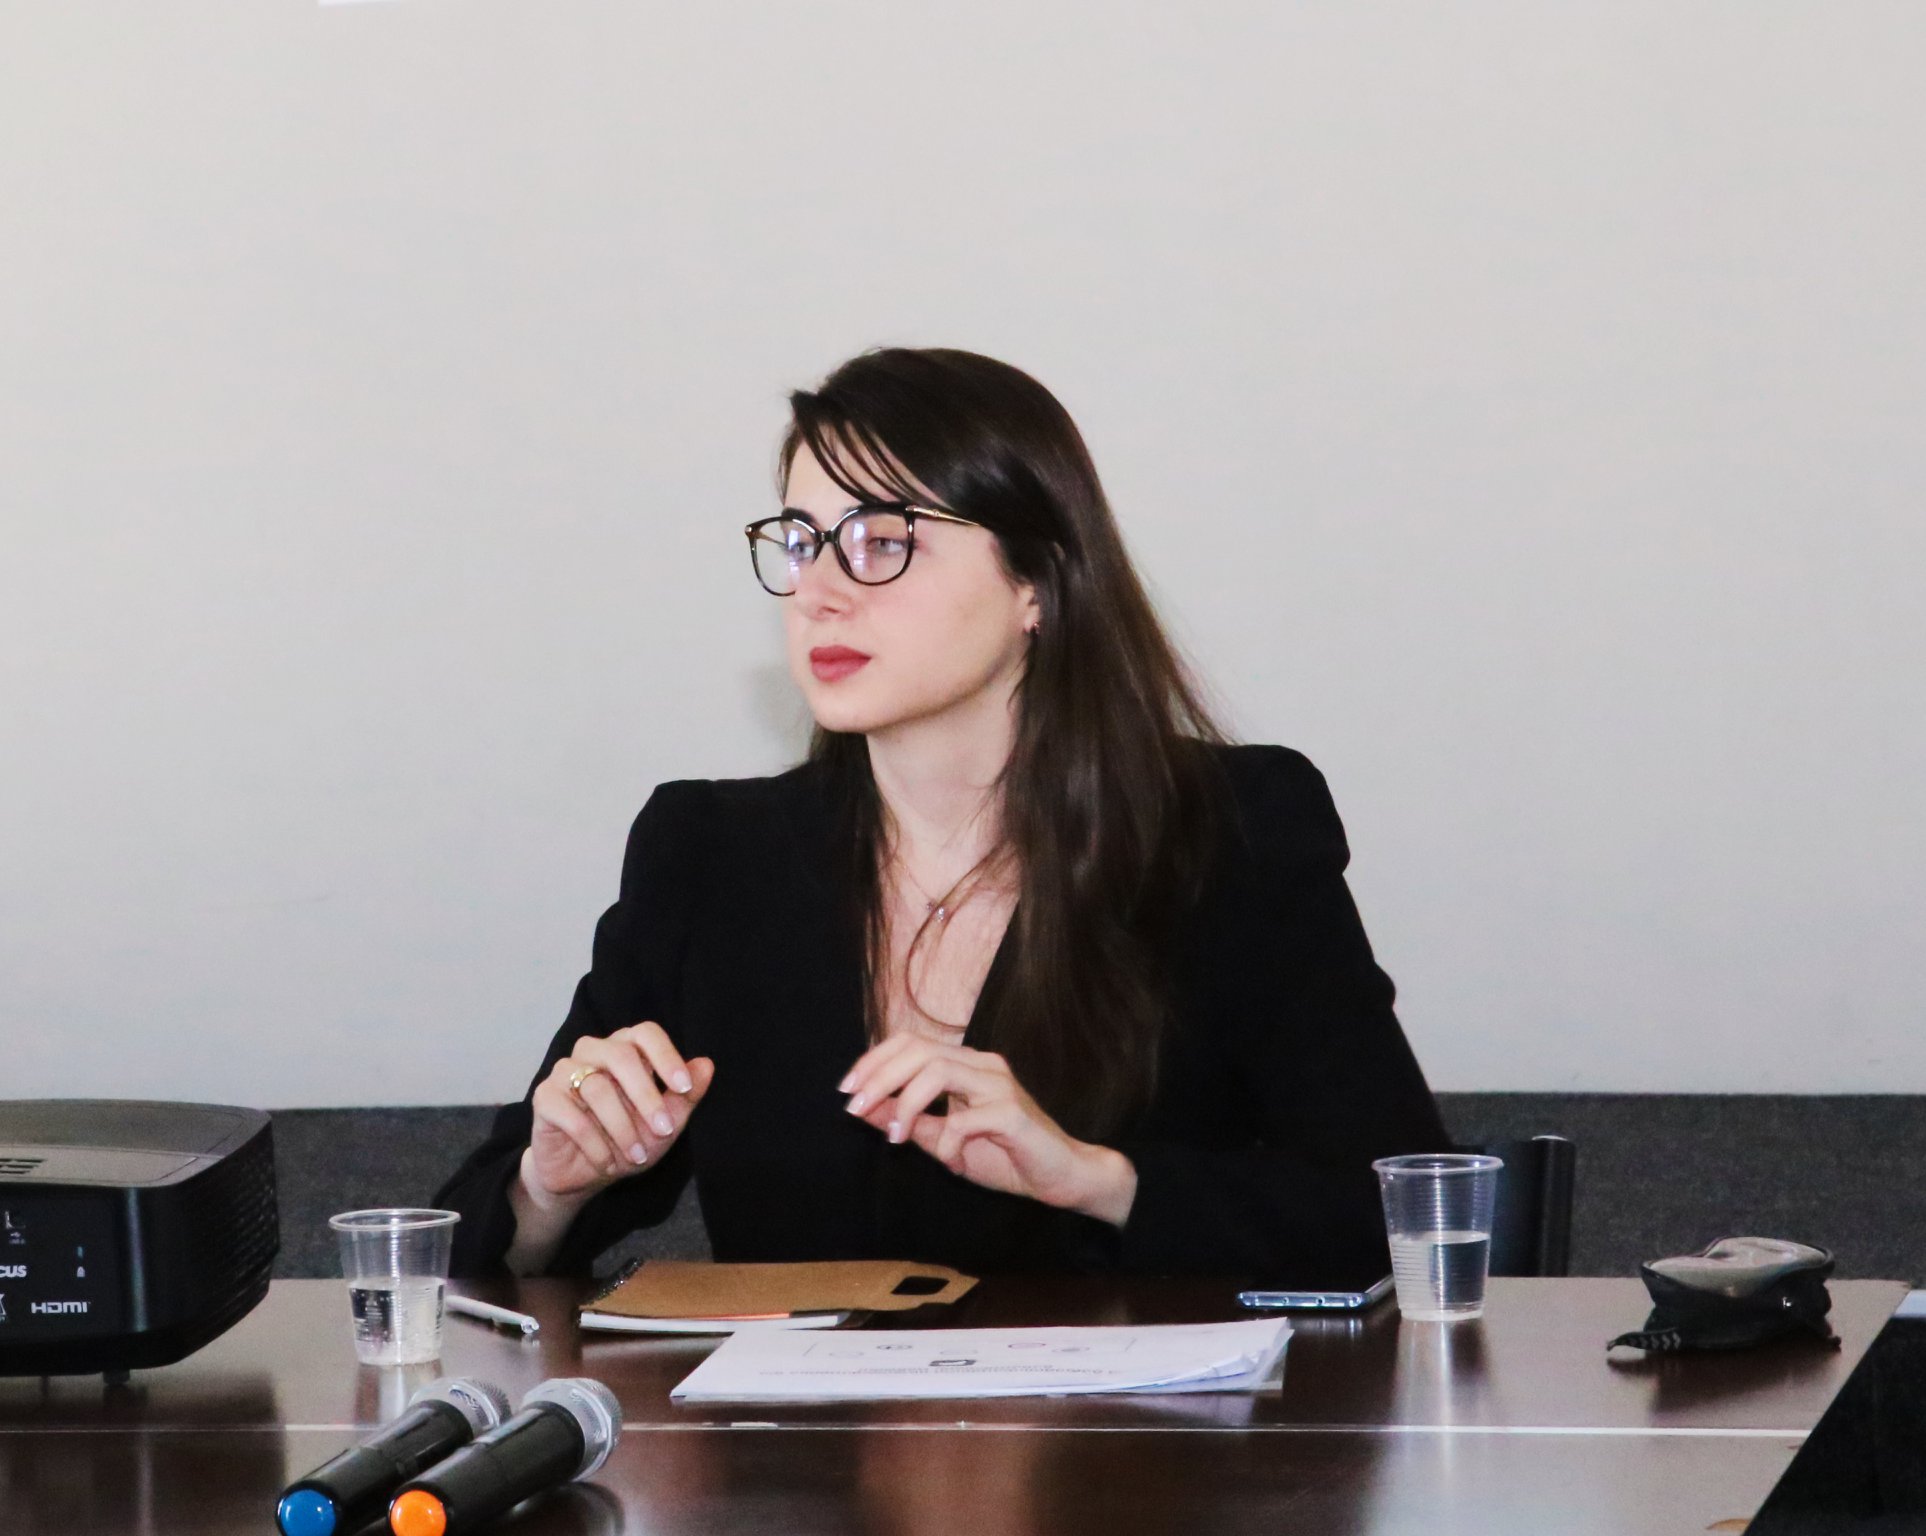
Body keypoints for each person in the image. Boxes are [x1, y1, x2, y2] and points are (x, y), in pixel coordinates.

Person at [435, 346, 1449, 1281]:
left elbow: (1400, 1214)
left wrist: (1096, 1179)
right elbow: (454, 1252)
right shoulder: (711, 857)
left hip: (1129, 1425)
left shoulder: (1229, 832)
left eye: (881, 542)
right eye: (801, 542)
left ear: (1036, 584)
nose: (819, 593)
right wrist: (548, 1189)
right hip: (800, 1430)